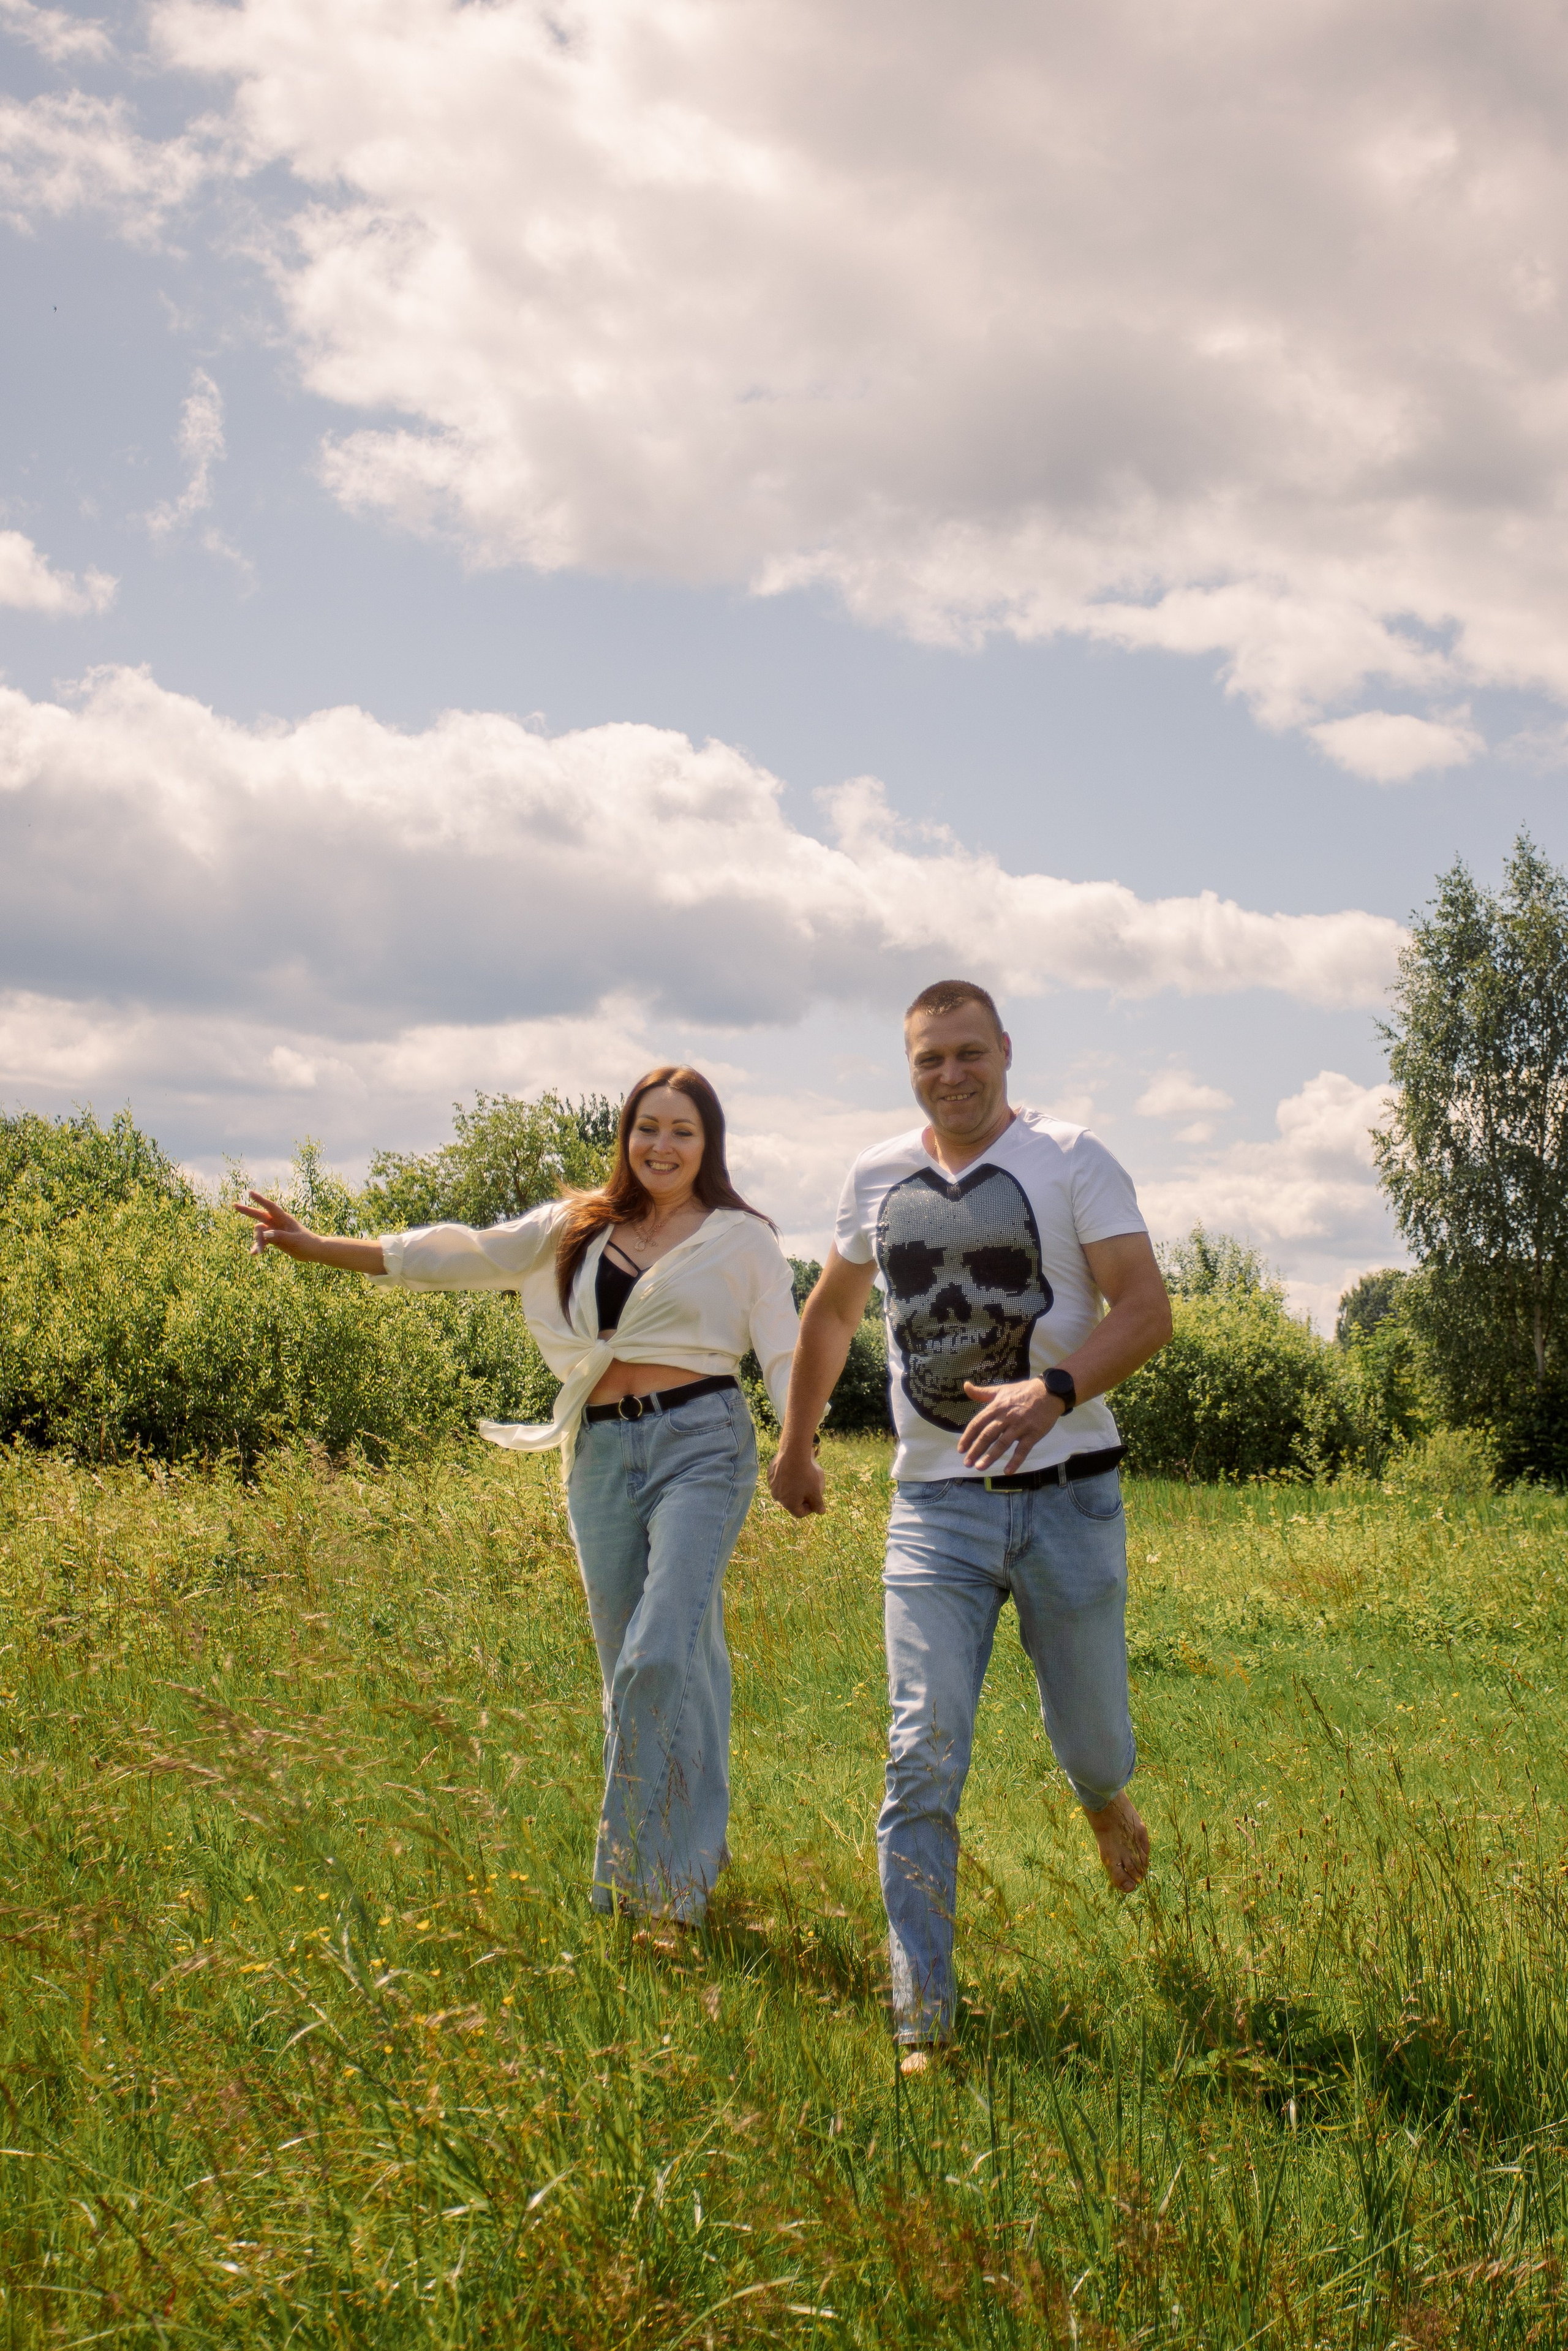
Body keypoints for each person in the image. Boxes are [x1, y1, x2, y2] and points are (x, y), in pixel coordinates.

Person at [236, 1066, 798, 1926]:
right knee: (642, 1668)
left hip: (704, 1444)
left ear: (708, 1142)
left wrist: (800, 1447)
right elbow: (455, 1250)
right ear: (626, 1135)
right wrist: (320, 1245)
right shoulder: (575, 1226)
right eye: (648, 1126)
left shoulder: (741, 1237)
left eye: (683, 1130)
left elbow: (785, 1350)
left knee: (661, 1654)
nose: (662, 1144)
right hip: (602, 1451)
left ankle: (647, 1892)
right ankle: (695, 1841)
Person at [769, 981, 1172, 2060]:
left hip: (1070, 1493)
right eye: (928, 1059)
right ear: (909, 1068)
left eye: (966, 1053)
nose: (950, 1074)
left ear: (1004, 1050)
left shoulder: (1074, 1158)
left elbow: (1146, 1307)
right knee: (920, 1753)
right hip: (933, 1508)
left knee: (1093, 1737)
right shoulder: (874, 1177)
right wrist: (797, 1441)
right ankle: (924, 2021)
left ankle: (1101, 1797)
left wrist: (1052, 1391)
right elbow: (834, 1312)